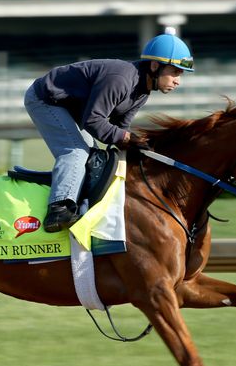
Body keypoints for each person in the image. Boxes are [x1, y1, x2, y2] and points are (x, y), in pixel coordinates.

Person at [24, 27, 194, 233]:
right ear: (155, 65)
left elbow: (120, 129)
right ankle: (58, 210)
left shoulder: (143, 91)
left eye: (181, 74)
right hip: (46, 99)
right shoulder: (121, 79)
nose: (178, 80)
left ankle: (82, 204)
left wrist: (137, 148)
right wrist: (127, 137)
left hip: (75, 108)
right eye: (175, 72)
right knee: (77, 152)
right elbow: (94, 121)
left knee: (94, 157)